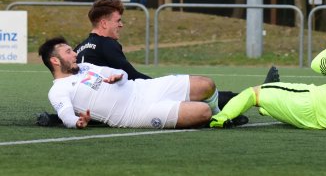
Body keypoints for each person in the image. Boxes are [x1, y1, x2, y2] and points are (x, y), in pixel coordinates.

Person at [39, 37, 219, 129]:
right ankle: (219, 116)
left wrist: (118, 76)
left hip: (142, 88)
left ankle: (221, 115)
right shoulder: (57, 91)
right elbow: (66, 116)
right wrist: (77, 122)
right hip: (135, 113)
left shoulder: (85, 66)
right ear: (55, 61)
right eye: (68, 52)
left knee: (206, 84)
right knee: (203, 112)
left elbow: (118, 73)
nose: (74, 54)